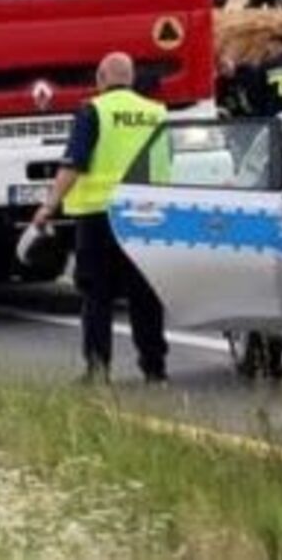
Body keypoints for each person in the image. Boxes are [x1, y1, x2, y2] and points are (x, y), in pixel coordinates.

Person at [29, 51, 168, 383]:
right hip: (146, 215)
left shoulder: (93, 111)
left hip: (98, 216)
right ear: (131, 79)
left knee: (97, 296)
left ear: (100, 79)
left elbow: (74, 164)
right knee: (145, 295)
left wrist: (48, 206)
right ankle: (155, 368)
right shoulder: (157, 112)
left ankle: (98, 369)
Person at [218, 35, 282, 118]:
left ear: (274, 46)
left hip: (278, 119)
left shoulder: (268, 67)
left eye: (270, 49)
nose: (269, 52)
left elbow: (258, 98)